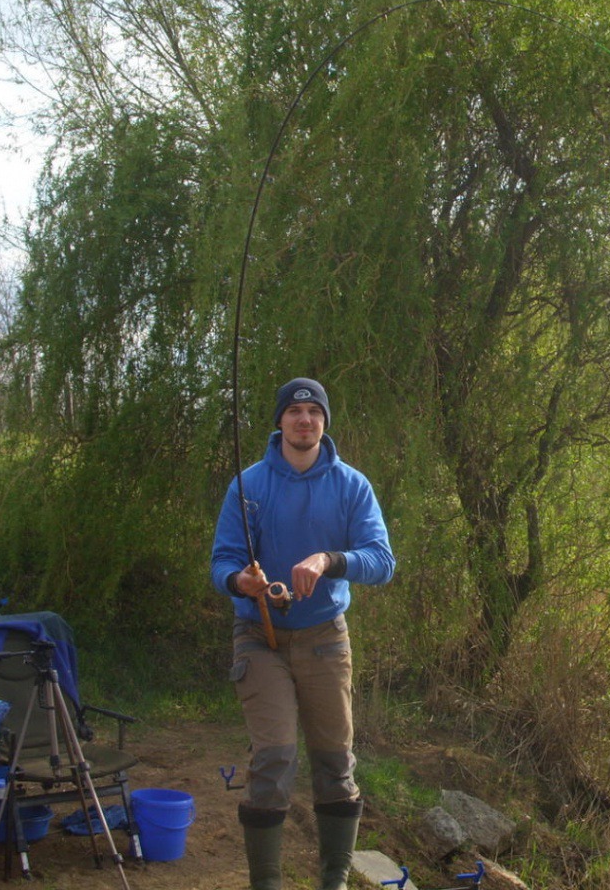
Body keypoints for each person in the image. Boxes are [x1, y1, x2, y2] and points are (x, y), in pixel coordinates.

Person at [211, 378, 395, 890]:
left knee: (335, 761)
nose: (304, 419)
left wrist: (329, 559)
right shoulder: (247, 485)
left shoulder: (352, 485)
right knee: (273, 756)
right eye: (294, 411)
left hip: (325, 637)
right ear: (280, 421)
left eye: (314, 411)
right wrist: (239, 581)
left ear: (324, 423)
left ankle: (332, 881)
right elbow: (222, 560)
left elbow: (382, 562)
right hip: (259, 636)